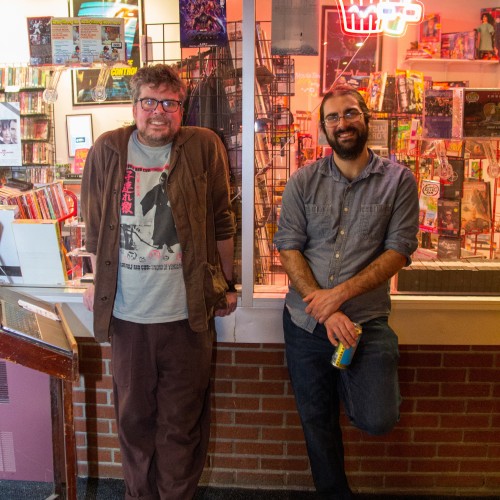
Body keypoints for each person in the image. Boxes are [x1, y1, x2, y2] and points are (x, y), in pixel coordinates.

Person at [80, 63, 237, 500]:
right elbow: (94, 229)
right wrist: (96, 281)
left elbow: (222, 221)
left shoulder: (203, 146)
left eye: (169, 103)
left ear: (181, 108)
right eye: (149, 101)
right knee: (134, 423)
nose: (158, 112)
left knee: (181, 426)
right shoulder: (108, 149)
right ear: (134, 106)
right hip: (129, 318)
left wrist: (226, 284)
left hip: (187, 317)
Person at [273, 84, 419, 500]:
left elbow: (398, 251)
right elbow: (288, 247)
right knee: (317, 420)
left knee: (378, 417)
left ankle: (351, 387)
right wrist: (325, 309)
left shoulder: (399, 181)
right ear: (323, 128)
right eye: (333, 117)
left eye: (350, 113)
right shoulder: (303, 180)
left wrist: (338, 298)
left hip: (365, 322)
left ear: (366, 118)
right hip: (306, 323)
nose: (343, 123)